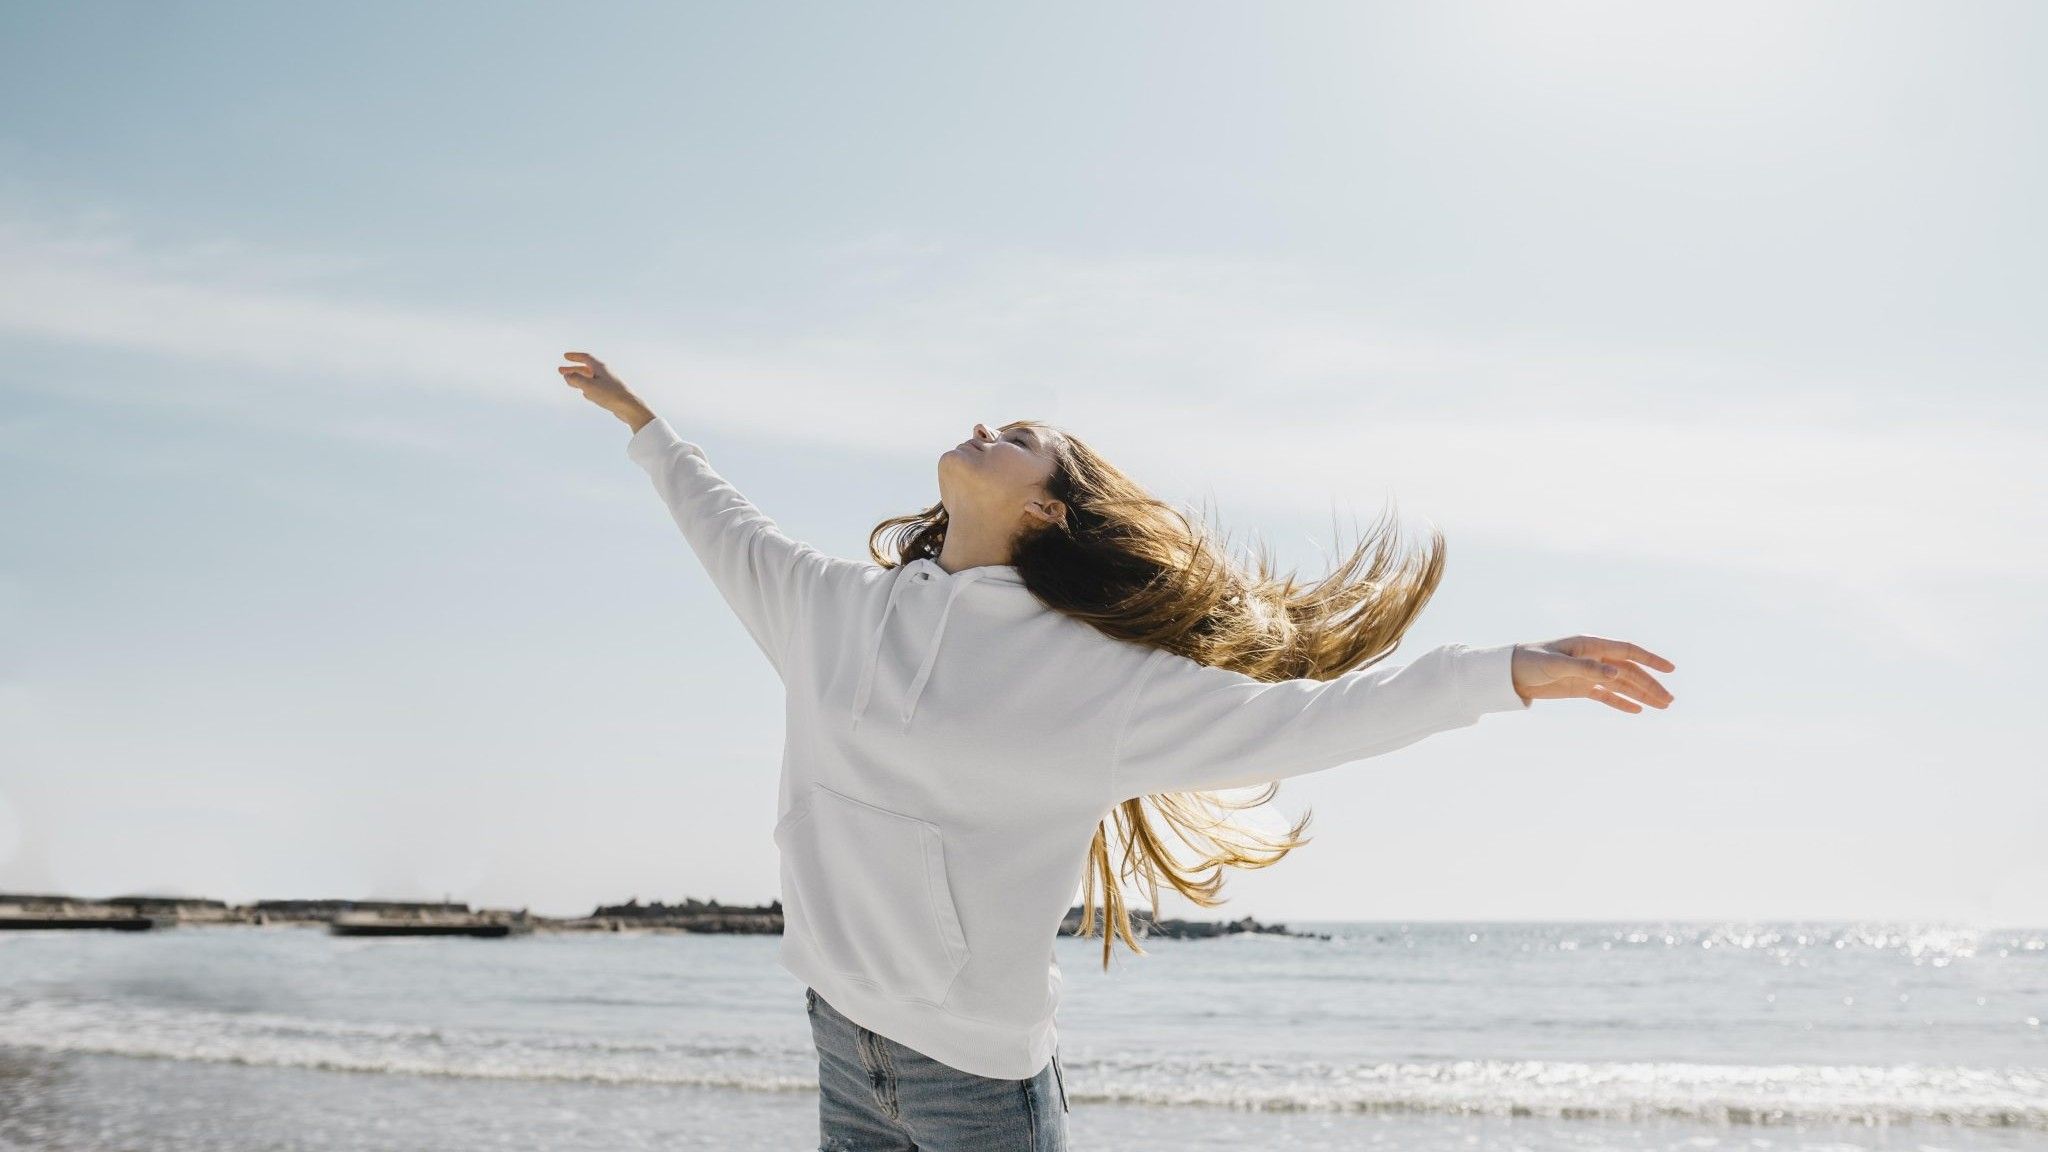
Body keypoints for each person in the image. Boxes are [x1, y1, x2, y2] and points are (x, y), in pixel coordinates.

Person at [558, 351, 1676, 1151]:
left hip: (976, 1087)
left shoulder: (1096, 684)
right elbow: (722, 523)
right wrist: (645, 426)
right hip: (841, 1040)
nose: (990, 424)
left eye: (1023, 441)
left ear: (1047, 513)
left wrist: (1504, 673)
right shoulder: (827, 609)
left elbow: (1314, 720)